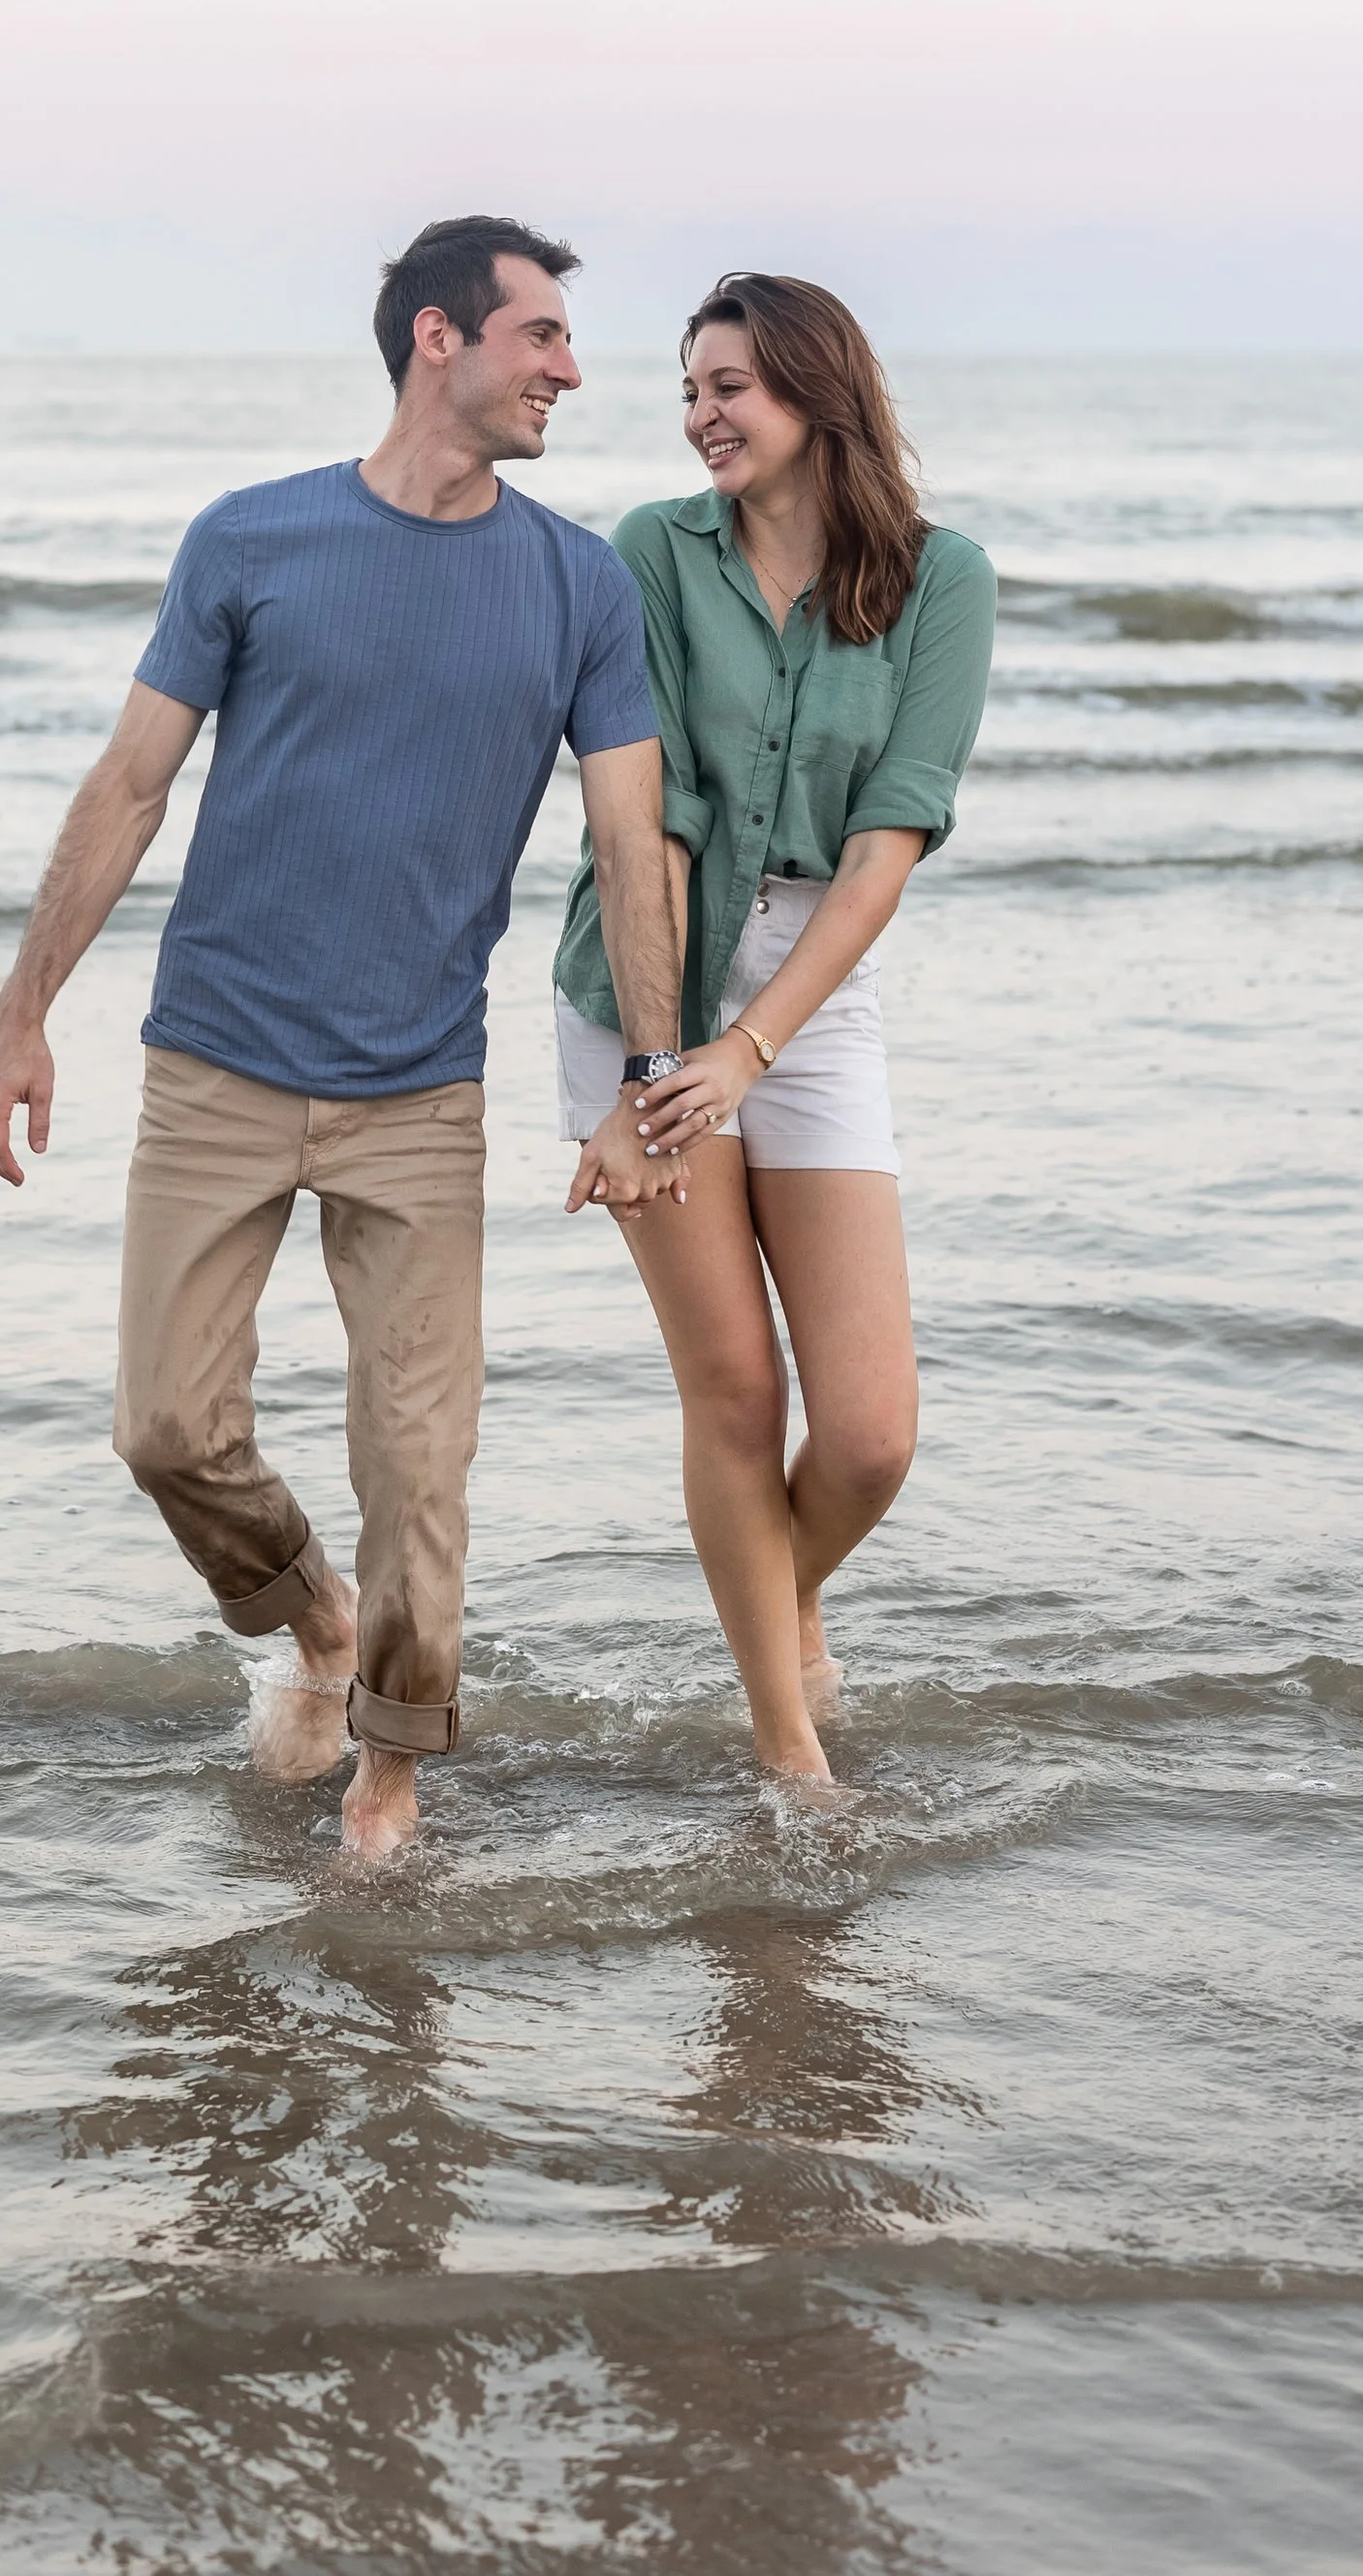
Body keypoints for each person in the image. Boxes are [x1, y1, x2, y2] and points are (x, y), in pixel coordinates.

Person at [0, 217, 686, 1859]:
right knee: (165, 1427)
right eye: (543, 337)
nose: (570, 370)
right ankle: (311, 1617)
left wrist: (649, 1079)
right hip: (215, 1060)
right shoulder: (252, 539)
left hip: (419, 1094)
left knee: (421, 1468)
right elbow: (130, 784)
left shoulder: (579, 581)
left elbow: (631, 842)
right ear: (440, 339)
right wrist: (24, 1014)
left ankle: (392, 1771)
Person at [553, 272, 995, 1781]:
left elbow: (886, 851)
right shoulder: (651, 558)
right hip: (646, 967)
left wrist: (757, 1049)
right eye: (689, 389)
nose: (699, 415)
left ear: (815, 389)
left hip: (816, 980)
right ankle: (785, 1745)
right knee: (737, 1385)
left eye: (728, 385)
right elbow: (653, 827)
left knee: (867, 1432)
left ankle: (777, 1598)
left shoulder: (945, 580)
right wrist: (656, 1065)